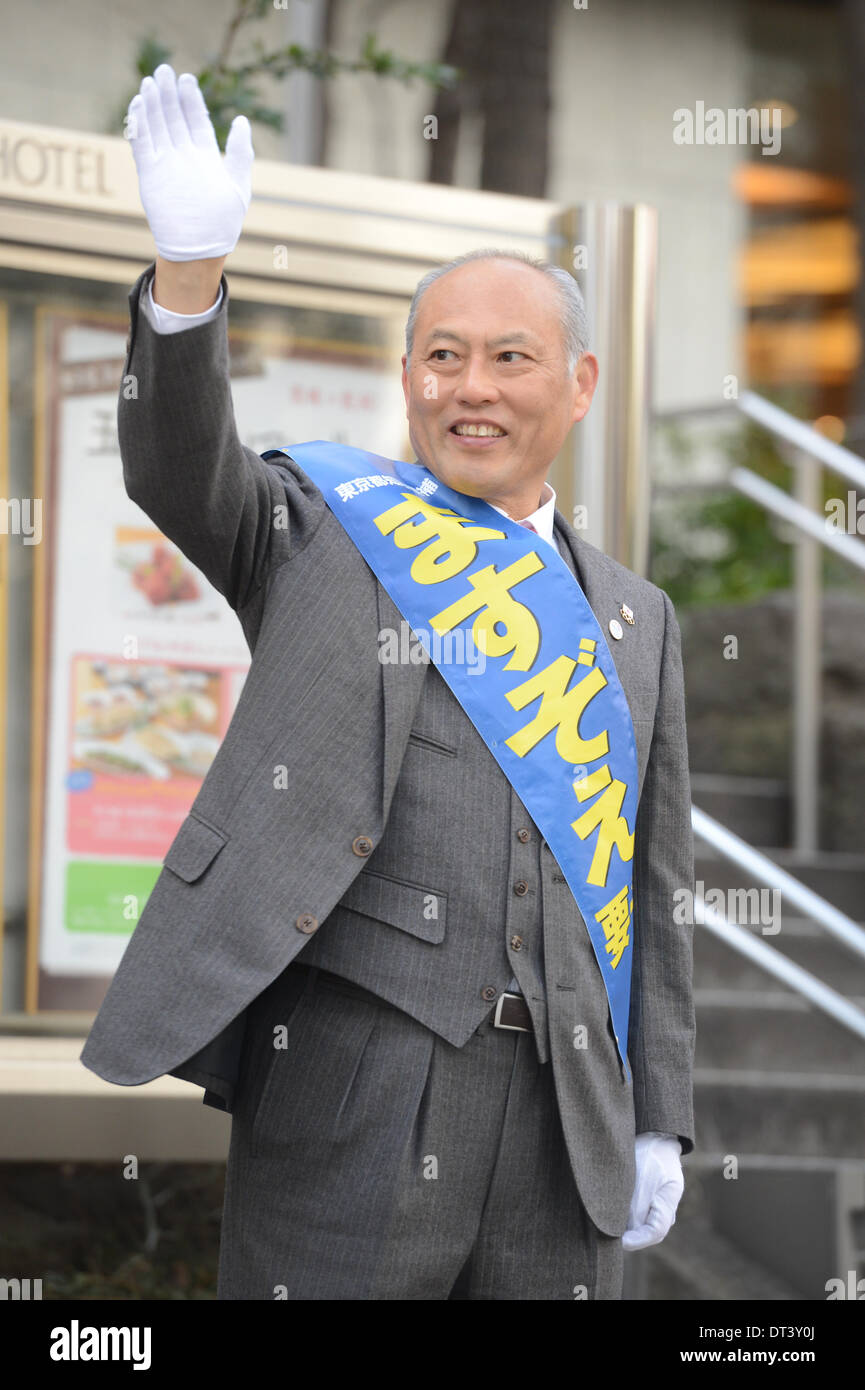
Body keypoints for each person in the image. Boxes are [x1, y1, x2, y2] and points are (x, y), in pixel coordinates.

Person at [81, 64, 696, 1301]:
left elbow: (655, 891)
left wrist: (658, 1115)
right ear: (408, 372)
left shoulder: (638, 618)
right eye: (442, 355)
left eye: (510, 357)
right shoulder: (324, 526)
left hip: (567, 1114)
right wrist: (190, 278)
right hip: (352, 1091)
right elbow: (178, 468)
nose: (470, 386)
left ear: (576, 384)